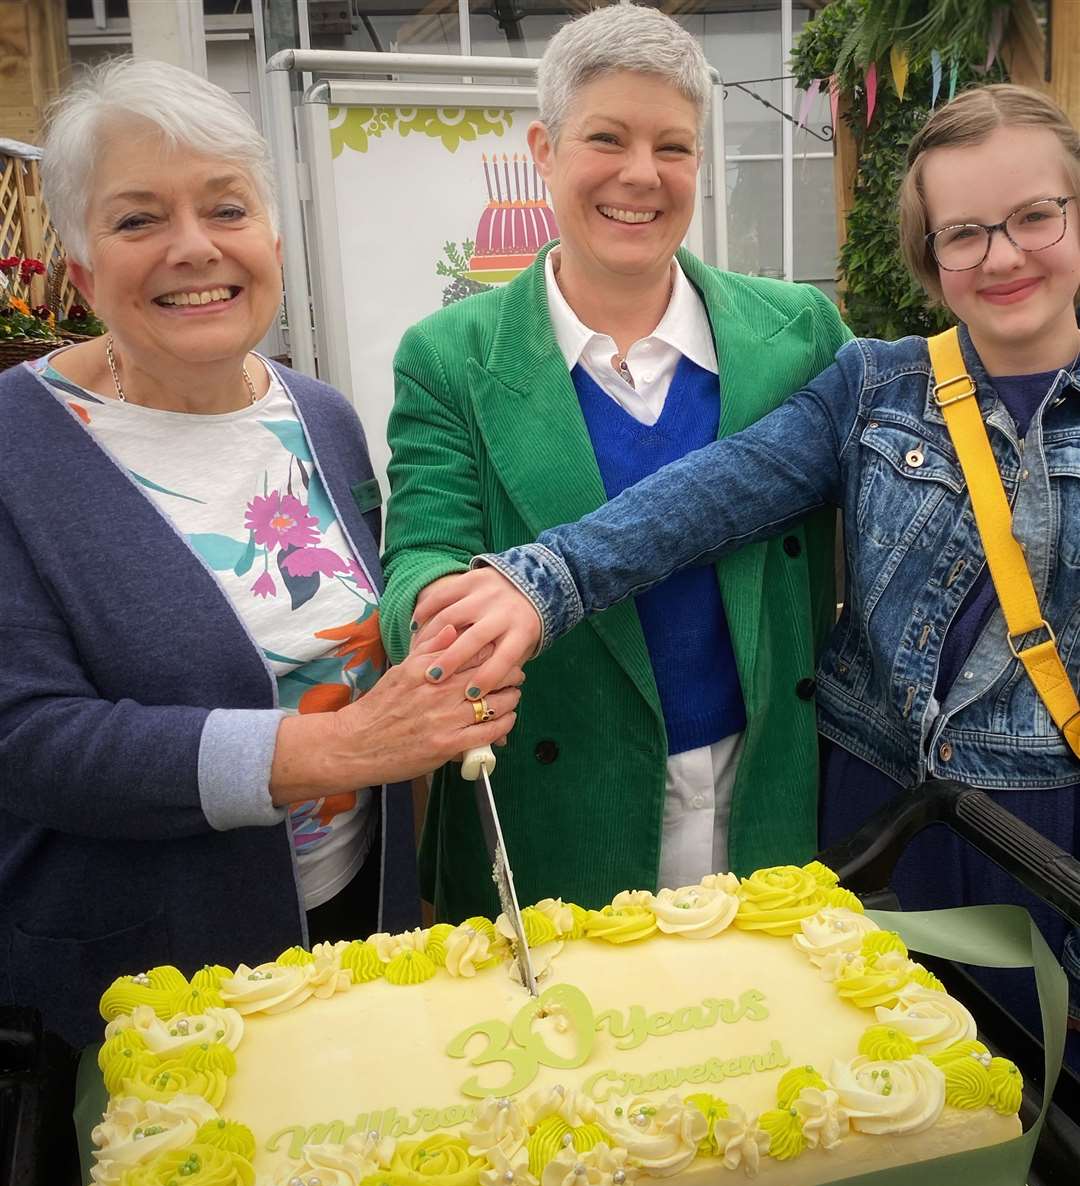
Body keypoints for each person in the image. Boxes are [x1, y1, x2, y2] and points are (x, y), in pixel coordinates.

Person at [416, 83, 1080, 1051]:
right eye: (965, 231)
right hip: (876, 807)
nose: (1004, 254)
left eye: (1035, 217)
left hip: (1045, 807)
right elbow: (716, 492)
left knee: (1038, 1083)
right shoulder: (879, 384)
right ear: (930, 254)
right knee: (864, 1067)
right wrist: (542, 577)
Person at [0, 58, 523, 1053]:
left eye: (226, 208)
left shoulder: (317, 416)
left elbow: (352, 644)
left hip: (352, 932)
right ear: (79, 270)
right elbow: (26, 741)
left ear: (272, 239)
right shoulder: (15, 449)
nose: (194, 248)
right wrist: (342, 747)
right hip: (148, 972)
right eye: (138, 219)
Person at [381, 4, 851, 922]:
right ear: (543, 150)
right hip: (560, 812)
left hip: (771, 795)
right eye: (607, 138)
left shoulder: (798, 333)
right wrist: (444, 620)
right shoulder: (450, 357)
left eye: (673, 147)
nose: (642, 175)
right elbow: (420, 557)